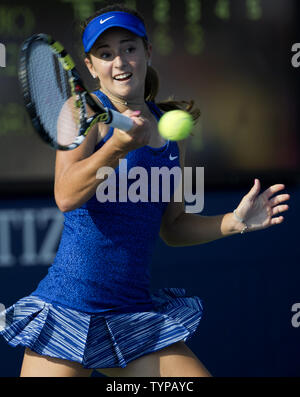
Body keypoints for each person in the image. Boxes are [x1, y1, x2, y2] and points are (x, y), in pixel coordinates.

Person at [0, 4, 290, 377]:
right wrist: (118, 146)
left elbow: (173, 226)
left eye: (128, 48)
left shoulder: (172, 137)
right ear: (90, 67)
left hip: (132, 316)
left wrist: (234, 221)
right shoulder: (82, 111)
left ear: (147, 52)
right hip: (67, 308)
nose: (119, 61)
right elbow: (66, 195)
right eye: (105, 54)